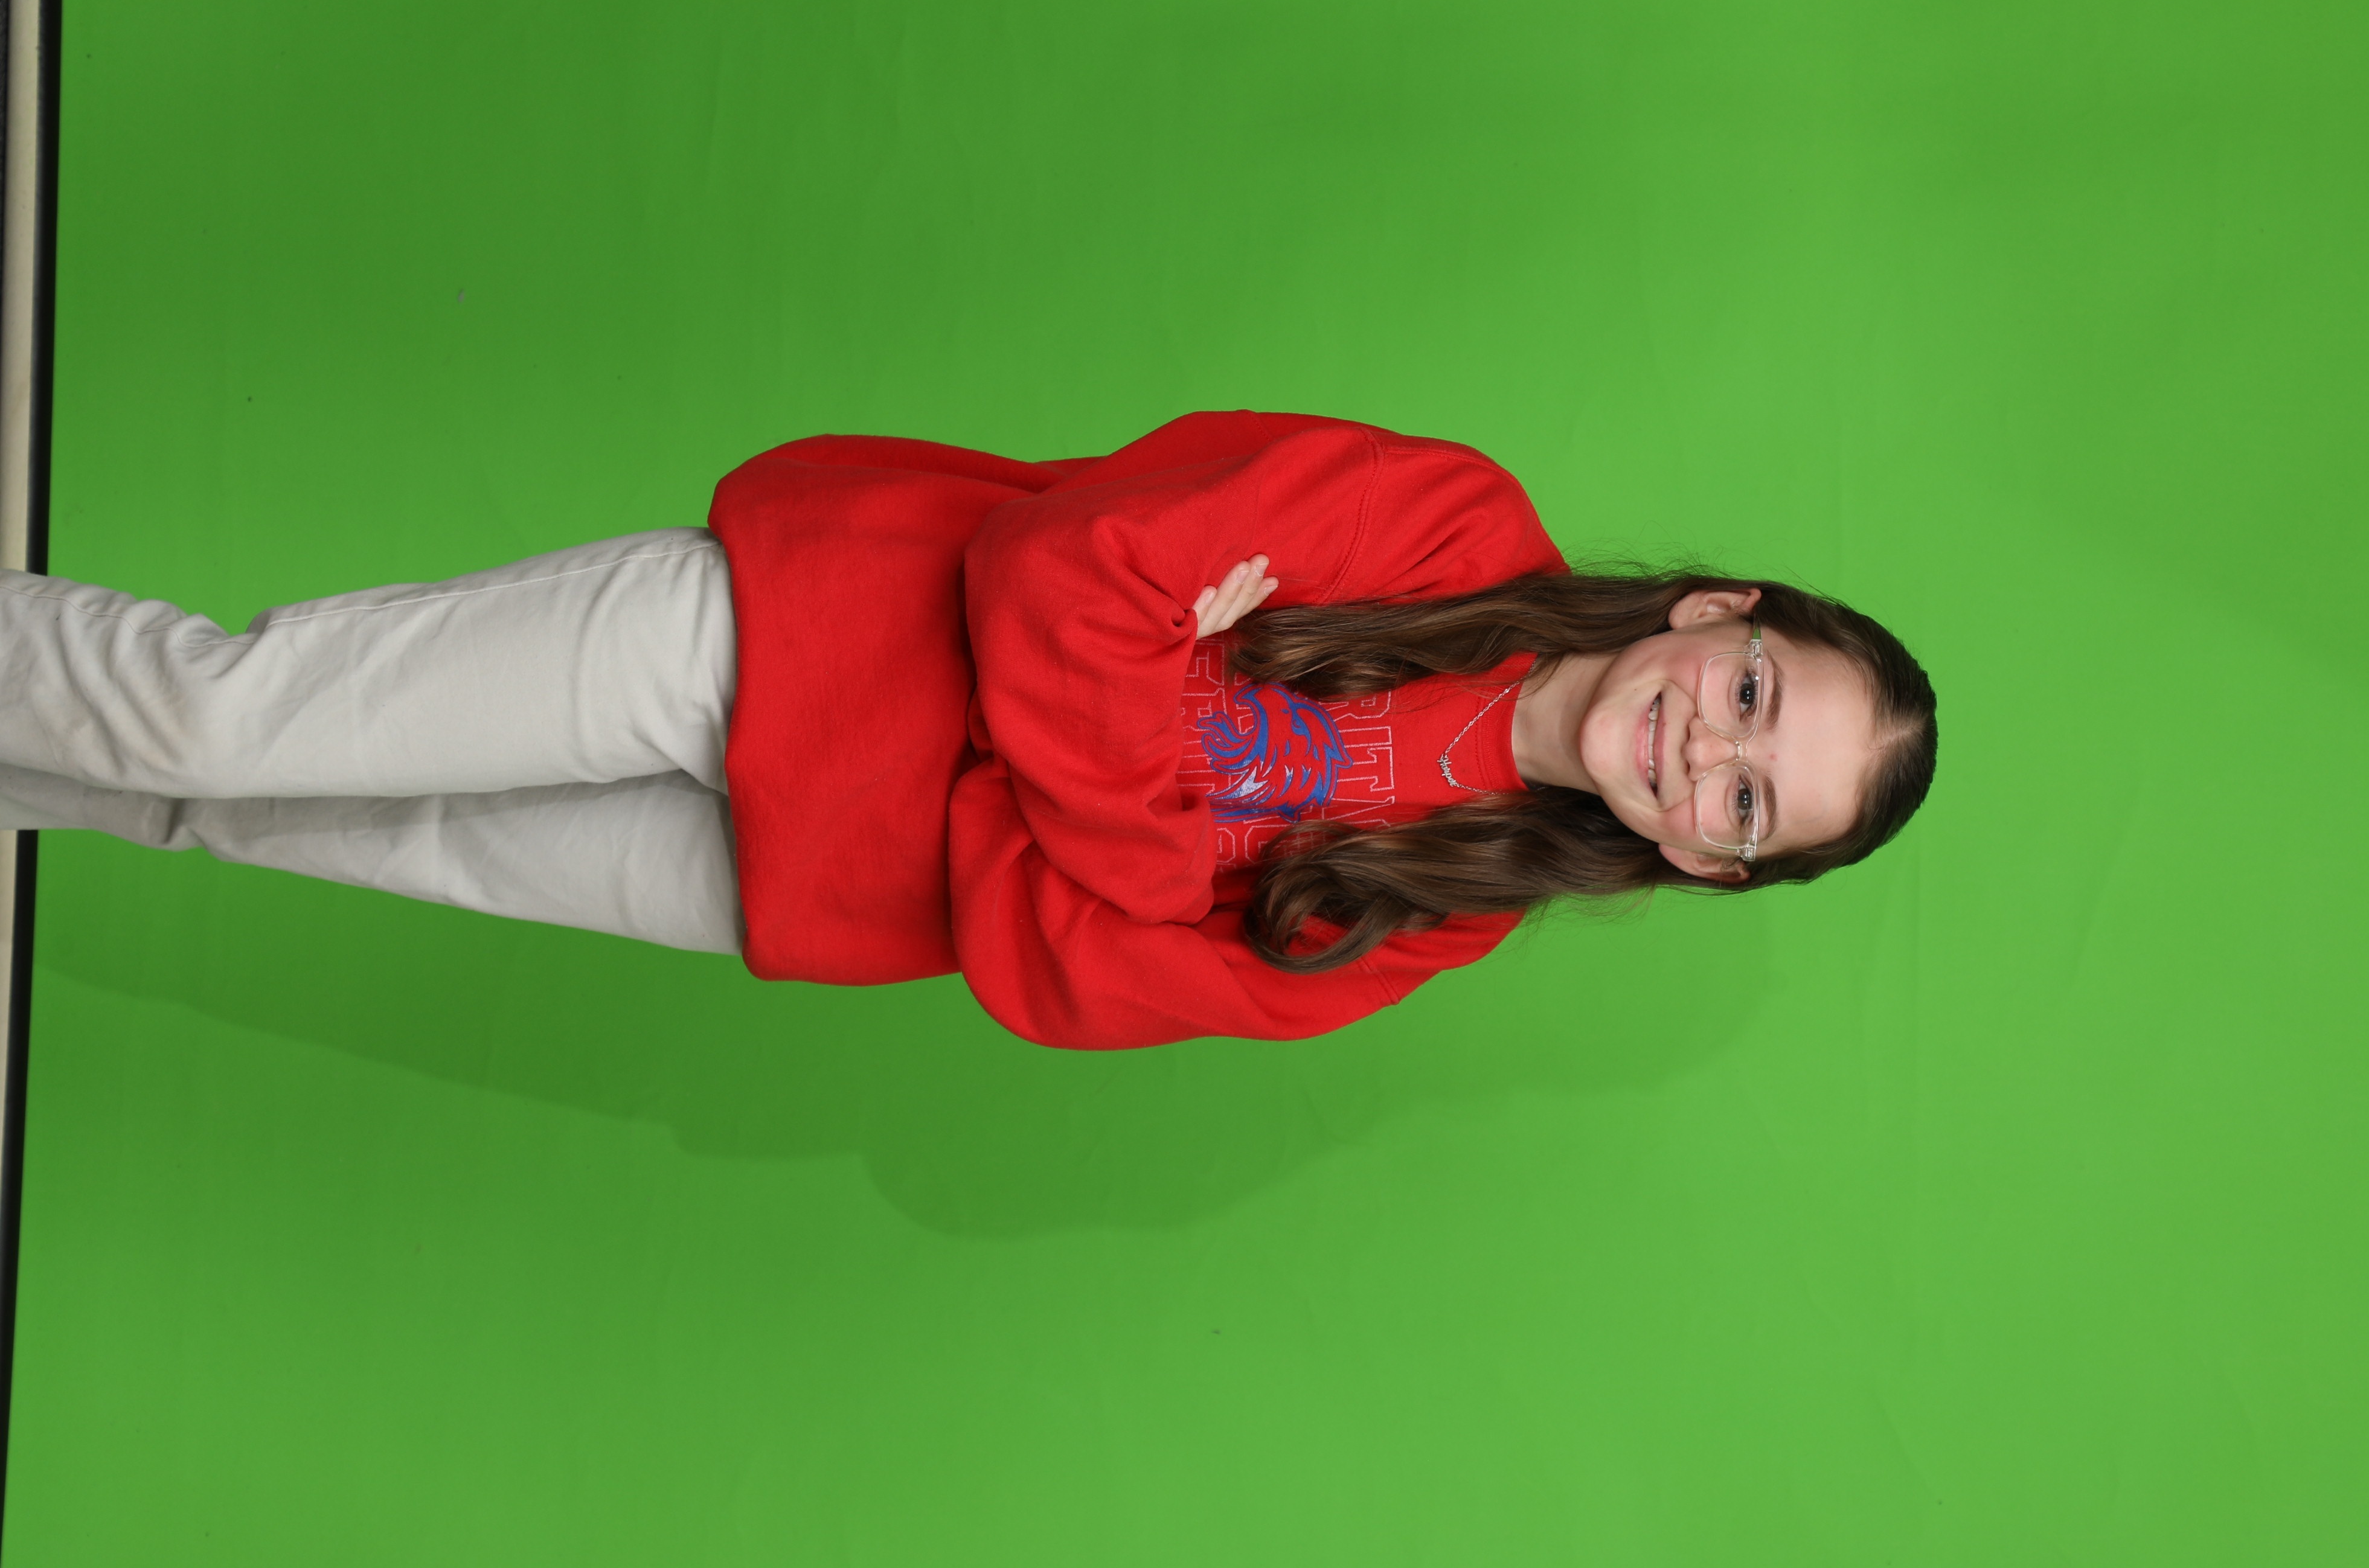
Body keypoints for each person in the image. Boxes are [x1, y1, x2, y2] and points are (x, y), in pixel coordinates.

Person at [0, 410, 1935, 1048]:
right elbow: (1054, 568)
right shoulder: (1449, 526)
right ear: (1716, 615)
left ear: (1706, 863)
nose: (1706, 753)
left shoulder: (1443, 916)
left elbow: (1065, 982)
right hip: (786, 638)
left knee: (245, 821)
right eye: (1753, 697)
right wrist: (1133, 824)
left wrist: (1115, 717)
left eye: (1747, 806)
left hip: (799, 880)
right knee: (223, 719)